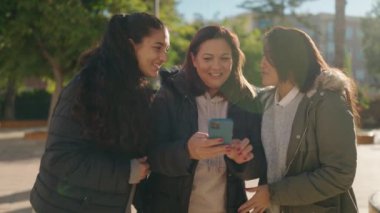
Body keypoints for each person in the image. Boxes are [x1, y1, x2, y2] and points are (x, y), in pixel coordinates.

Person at [30, 12, 170, 213]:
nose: (164, 57)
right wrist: (126, 172)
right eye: (157, 47)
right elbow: (60, 159)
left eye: (166, 49)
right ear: (131, 45)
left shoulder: (134, 90)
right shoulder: (85, 87)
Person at [146, 25, 266, 213]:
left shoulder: (249, 101)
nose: (216, 67)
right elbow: (151, 154)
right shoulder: (170, 95)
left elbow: (260, 168)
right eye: (207, 58)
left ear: (234, 60)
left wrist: (242, 161)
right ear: (193, 59)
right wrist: (188, 151)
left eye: (225, 58)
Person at [238, 26, 358, 213]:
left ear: (289, 58)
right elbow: (267, 166)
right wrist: (242, 160)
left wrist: (274, 193)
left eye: (269, 56)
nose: (262, 63)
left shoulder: (326, 103)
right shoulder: (264, 103)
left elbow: (339, 173)